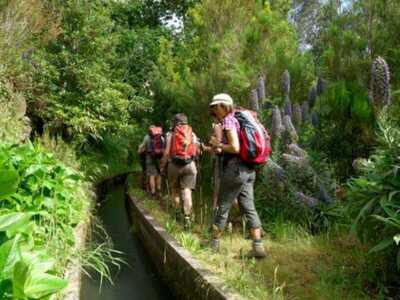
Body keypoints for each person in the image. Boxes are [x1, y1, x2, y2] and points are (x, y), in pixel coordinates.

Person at [208, 93, 267, 258]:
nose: (214, 111)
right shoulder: (241, 119)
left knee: (222, 206)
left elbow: (234, 147)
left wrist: (217, 144)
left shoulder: (229, 120)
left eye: (216, 107)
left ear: (224, 106)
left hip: (235, 170)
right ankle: (258, 247)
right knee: (249, 207)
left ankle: (213, 244)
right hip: (249, 170)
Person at [160, 113, 198, 231]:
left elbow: (166, 153)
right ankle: (187, 219)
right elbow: (196, 151)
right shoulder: (192, 133)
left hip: (174, 165)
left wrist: (162, 165)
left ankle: (177, 214)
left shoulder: (170, 134)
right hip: (190, 165)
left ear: (174, 122)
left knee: (175, 191)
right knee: (187, 191)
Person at [138, 125, 164, 198]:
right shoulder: (161, 137)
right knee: (159, 175)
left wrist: (140, 150)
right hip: (159, 159)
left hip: (150, 158)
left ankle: (153, 192)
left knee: (151, 176)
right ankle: (159, 190)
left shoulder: (146, 137)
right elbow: (164, 149)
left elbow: (141, 149)